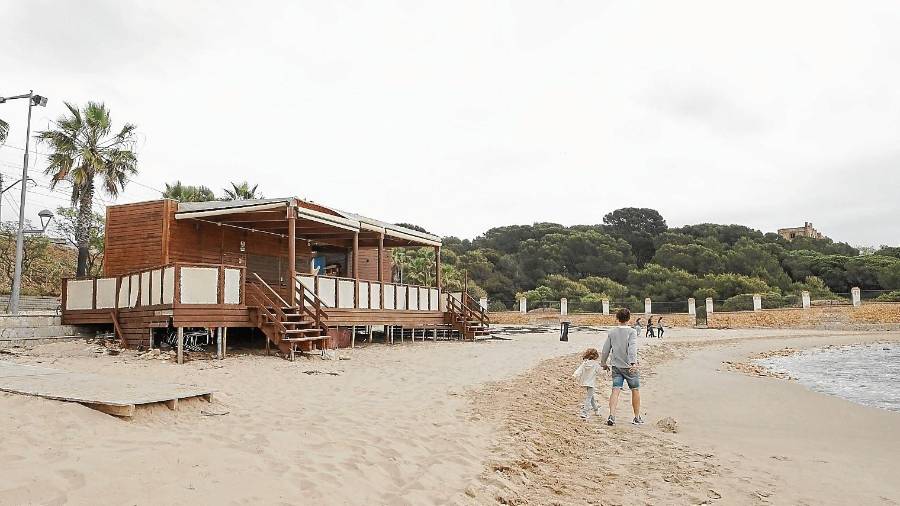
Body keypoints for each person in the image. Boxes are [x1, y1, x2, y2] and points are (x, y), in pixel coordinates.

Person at [601, 307, 643, 426]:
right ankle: (636, 417)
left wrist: (603, 363)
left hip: (616, 366)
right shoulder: (632, 332)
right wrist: (633, 363)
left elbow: (605, 349)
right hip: (629, 367)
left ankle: (612, 416)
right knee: (635, 390)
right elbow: (632, 348)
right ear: (629, 319)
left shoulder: (612, 332)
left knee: (615, 390)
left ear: (617, 318)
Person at [572, 348, 603, 419]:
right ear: (596, 356)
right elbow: (600, 372)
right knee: (589, 398)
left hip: (584, 382)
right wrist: (605, 370)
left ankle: (596, 409)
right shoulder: (595, 364)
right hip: (591, 383)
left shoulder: (585, 363)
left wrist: (574, 375)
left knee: (591, 397)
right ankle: (584, 412)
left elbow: (579, 370)